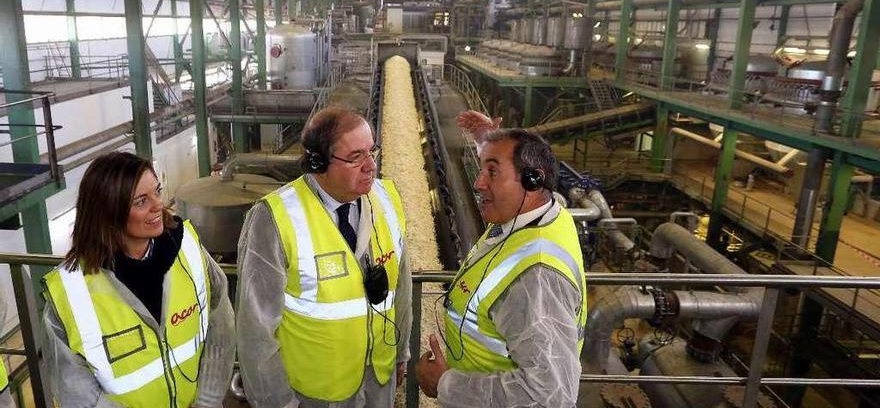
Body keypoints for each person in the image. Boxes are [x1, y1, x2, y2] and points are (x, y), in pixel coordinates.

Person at [236, 107, 412, 408]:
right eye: (356, 157)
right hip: (314, 394)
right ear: (318, 163)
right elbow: (256, 330)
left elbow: (403, 284)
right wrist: (278, 403)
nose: (371, 165)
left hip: (377, 382)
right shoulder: (274, 219)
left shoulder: (386, 198)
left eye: (373, 151)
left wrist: (401, 353)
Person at [415, 111, 587, 407]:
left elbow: (551, 396)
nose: (479, 183)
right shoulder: (544, 214)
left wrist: (446, 384)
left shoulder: (537, 277)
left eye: (492, 172)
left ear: (533, 180)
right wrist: (490, 143)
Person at [42, 151, 235, 408]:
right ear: (109, 211)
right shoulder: (70, 292)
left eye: (157, 191)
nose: (159, 204)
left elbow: (220, 322)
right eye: (141, 201)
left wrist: (208, 401)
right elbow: (76, 393)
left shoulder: (187, 248)